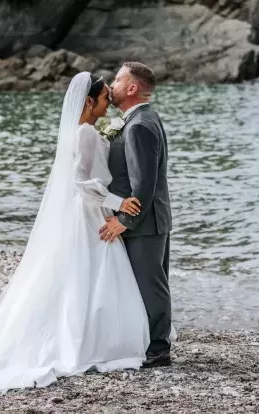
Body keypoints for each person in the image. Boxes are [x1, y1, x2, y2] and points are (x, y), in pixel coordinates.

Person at [0, 72, 150, 396]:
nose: (109, 103)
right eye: (105, 97)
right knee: (91, 275)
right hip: (90, 215)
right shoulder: (86, 134)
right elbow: (81, 184)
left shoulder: (82, 131)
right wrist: (119, 202)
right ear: (89, 101)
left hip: (87, 213)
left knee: (79, 276)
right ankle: (94, 341)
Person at [100, 62, 173, 367]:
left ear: (131, 88)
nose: (111, 85)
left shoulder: (140, 124)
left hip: (144, 223)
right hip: (150, 220)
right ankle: (148, 342)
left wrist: (123, 220)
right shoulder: (140, 119)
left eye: (117, 80)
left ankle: (158, 349)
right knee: (147, 283)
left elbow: (143, 183)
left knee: (150, 284)